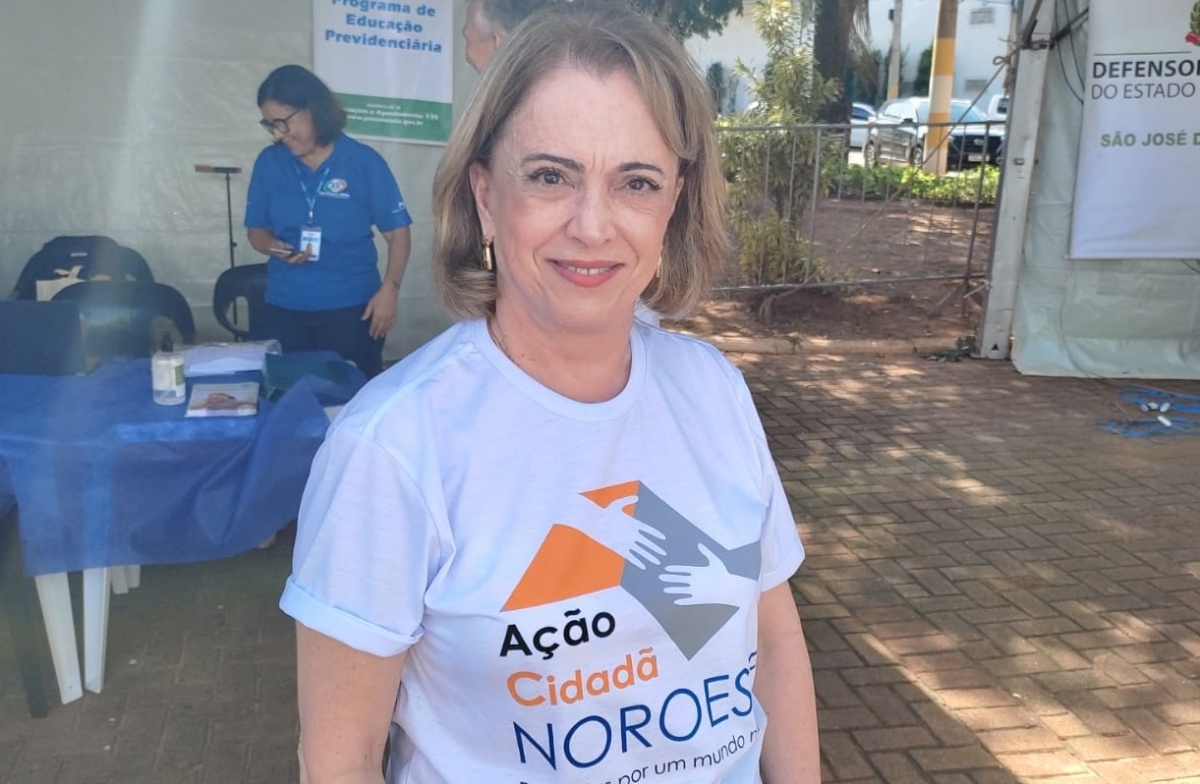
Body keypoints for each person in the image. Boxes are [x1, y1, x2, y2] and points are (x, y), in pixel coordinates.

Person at [281, 3, 819, 783]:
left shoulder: (713, 390)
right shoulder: (393, 447)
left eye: (636, 182)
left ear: (674, 203)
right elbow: (341, 759)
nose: (593, 226)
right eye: (550, 176)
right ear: (484, 196)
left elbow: (772, 636)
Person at [245, 65, 413, 378]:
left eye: (283, 122)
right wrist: (278, 249)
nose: (279, 134)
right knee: (289, 395)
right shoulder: (270, 163)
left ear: (312, 108)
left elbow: (397, 233)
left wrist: (389, 292)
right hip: (285, 308)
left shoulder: (363, 162)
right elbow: (256, 231)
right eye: (271, 125)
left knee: (352, 395)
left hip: (353, 309)